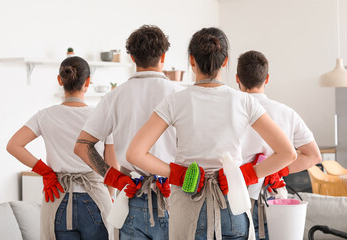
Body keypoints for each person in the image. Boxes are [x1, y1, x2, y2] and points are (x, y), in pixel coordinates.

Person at [126, 27, 297, 240]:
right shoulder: (244, 101)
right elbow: (288, 153)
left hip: (188, 206)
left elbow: (135, 153)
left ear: (191, 60)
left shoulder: (175, 101)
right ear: (225, 61)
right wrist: (246, 175)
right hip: (232, 205)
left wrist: (177, 173)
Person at [74, 25, 184, 240]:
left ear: (132, 58)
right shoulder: (180, 95)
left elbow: (82, 146)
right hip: (172, 198)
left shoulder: (115, 96)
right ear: (163, 56)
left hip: (131, 197)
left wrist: (114, 178)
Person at [6, 56, 117, 240]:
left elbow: (13, 145)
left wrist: (46, 172)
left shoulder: (45, 116)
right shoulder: (102, 116)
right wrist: (110, 197)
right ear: (88, 82)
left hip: (58, 199)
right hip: (96, 199)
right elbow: (112, 164)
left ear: (60, 80)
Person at [236, 50, 322, 240]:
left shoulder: (229, 112)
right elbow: (314, 156)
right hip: (274, 196)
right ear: (266, 79)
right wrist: (278, 170)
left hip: (235, 195)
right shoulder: (287, 113)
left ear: (237, 79)